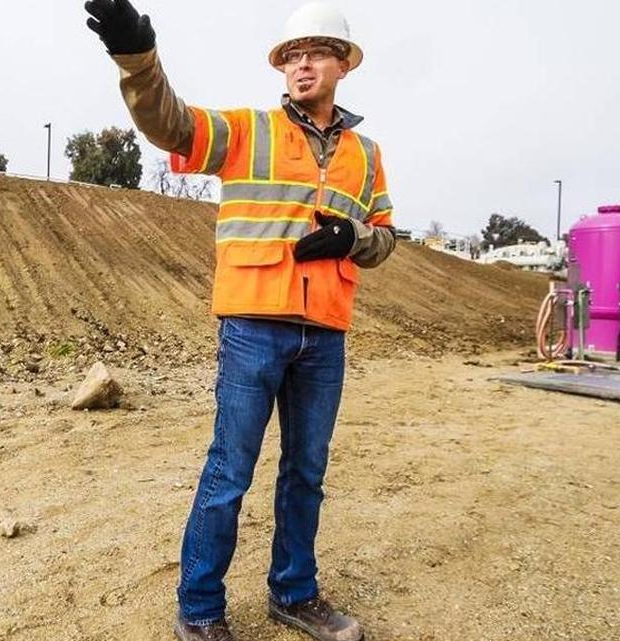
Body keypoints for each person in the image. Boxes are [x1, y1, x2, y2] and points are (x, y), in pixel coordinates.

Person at [85, 2, 397, 639]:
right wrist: (136, 57)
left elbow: (387, 236)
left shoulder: (366, 154)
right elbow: (168, 125)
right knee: (230, 470)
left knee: (307, 472)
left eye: (315, 53)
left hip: (325, 333)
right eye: (291, 56)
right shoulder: (247, 131)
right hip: (254, 326)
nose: (301, 64)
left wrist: (352, 237)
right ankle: (199, 611)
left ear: (343, 64)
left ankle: (294, 594)